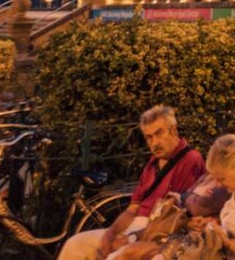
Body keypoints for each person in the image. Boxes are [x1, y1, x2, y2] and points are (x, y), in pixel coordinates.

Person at [58, 104, 206, 260]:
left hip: (159, 234)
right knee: (75, 244)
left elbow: (173, 219)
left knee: (117, 256)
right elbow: (132, 209)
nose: (154, 142)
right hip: (135, 227)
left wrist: (132, 238)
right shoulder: (152, 163)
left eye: (159, 133)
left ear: (173, 130)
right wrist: (110, 234)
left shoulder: (190, 160)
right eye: (149, 137)